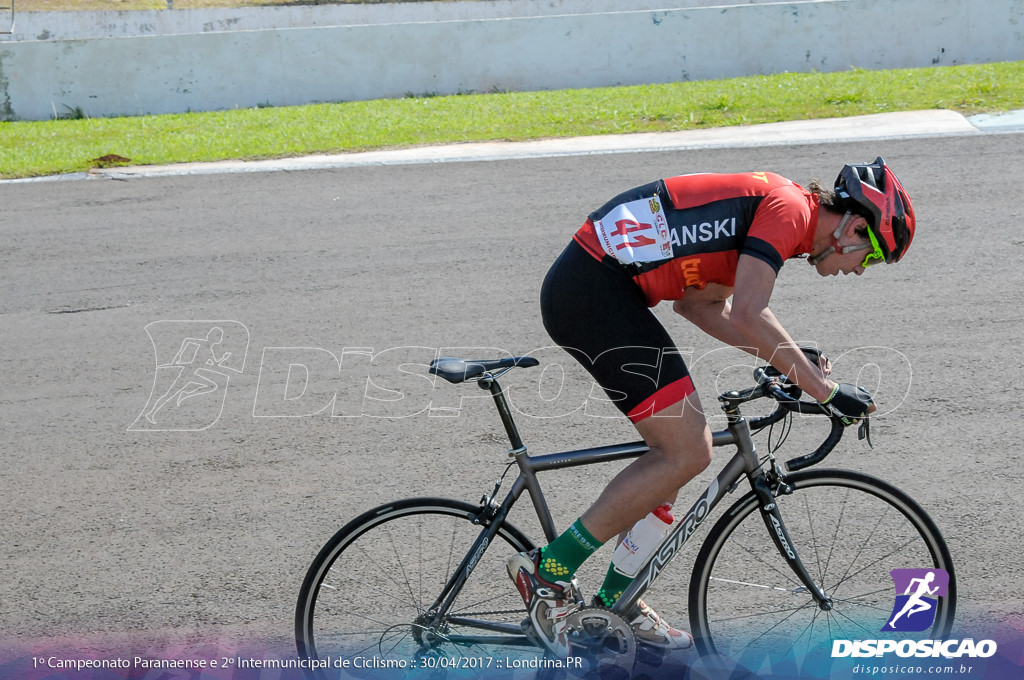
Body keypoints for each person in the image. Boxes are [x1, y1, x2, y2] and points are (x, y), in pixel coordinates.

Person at [506, 157, 917, 655]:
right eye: (870, 257)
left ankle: (616, 603)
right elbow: (749, 312)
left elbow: (702, 306)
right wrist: (823, 390)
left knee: (675, 459)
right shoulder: (787, 211)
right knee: (686, 450)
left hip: (603, 288)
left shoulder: (781, 215)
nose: (860, 271)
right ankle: (547, 574)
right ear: (854, 226)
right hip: (593, 288)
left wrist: (790, 361)